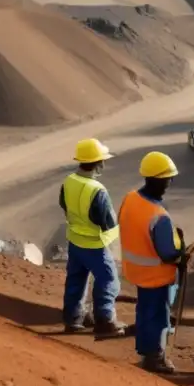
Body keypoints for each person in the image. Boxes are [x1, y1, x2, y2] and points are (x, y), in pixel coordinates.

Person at [119, 151, 185, 374]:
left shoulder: (130, 199)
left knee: (144, 311)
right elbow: (167, 253)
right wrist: (182, 251)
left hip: (136, 271)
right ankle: (155, 357)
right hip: (156, 276)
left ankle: (145, 350)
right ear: (158, 179)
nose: (169, 183)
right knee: (159, 317)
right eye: (168, 178)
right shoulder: (159, 215)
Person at [60, 138, 126, 338]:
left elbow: (64, 205)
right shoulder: (98, 190)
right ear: (98, 163)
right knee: (108, 280)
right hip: (94, 244)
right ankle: (105, 319)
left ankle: (73, 319)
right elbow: (108, 221)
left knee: (76, 280)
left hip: (75, 241)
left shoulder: (69, 181)